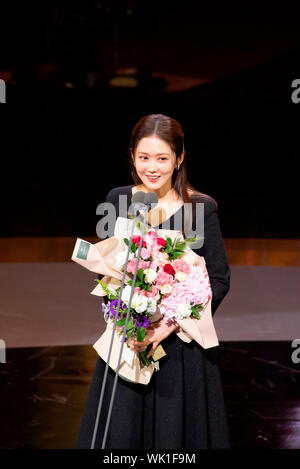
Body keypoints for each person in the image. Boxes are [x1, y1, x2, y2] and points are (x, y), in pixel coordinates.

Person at [74, 113, 231, 449]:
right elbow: (111, 268)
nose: (152, 167)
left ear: (180, 158)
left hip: (180, 351)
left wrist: (166, 326)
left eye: (162, 158)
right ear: (132, 155)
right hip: (129, 341)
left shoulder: (199, 209)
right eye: (144, 157)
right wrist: (128, 317)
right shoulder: (119, 199)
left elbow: (217, 279)